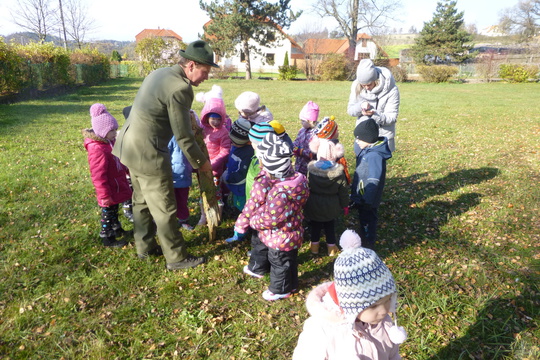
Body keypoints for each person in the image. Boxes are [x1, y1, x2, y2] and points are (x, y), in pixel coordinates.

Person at [112, 40, 217, 270]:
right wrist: (202, 164)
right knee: (165, 207)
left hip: (128, 145)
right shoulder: (180, 88)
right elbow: (184, 136)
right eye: (205, 71)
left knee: (140, 201)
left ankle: (145, 247)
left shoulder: (159, 73)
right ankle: (176, 257)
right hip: (147, 152)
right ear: (190, 65)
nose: (206, 77)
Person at [292, 229, 407, 360]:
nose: (384, 310)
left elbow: (392, 354)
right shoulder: (322, 331)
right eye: (373, 306)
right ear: (351, 306)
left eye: (387, 300)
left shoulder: (382, 322)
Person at [233, 133, 309, 301]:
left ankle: (280, 289)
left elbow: (270, 218)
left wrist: (253, 221)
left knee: (279, 263)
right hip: (293, 231)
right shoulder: (298, 181)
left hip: (279, 237)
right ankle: (292, 283)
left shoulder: (279, 194)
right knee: (289, 262)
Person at [82, 103, 132, 248]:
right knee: (108, 213)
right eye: (112, 130)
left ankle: (117, 229)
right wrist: (104, 195)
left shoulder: (110, 143)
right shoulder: (98, 149)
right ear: (102, 131)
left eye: (116, 129)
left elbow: (119, 159)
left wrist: (126, 170)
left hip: (116, 184)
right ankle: (107, 236)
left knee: (114, 210)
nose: (115, 133)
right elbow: (98, 175)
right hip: (108, 188)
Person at [224, 122, 275, 243]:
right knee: (244, 211)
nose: (250, 144)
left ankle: (248, 236)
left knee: (248, 214)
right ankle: (243, 232)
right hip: (248, 190)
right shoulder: (255, 154)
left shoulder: (263, 160)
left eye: (253, 143)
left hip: (255, 195)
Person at [350, 118, 392, 250]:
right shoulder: (367, 148)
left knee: (368, 219)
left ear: (368, 139)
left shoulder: (374, 156)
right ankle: (363, 234)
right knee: (362, 218)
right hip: (362, 195)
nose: (356, 141)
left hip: (368, 198)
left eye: (359, 139)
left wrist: (368, 200)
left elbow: (374, 179)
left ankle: (368, 242)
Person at [304, 137, 349, 256]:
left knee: (315, 226)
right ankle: (331, 249)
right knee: (330, 226)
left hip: (314, 203)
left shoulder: (311, 170)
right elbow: (343, 190)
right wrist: (345, 205)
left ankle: (314, 247)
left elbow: (306, 186)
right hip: (331, 204)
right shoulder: (339, 172)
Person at [196, 85, 231, 225]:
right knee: (203, 193)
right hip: (201, 169)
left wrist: (213, 164)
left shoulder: (223, 132)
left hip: (215, 170)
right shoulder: (202, 129)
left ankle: (217, 217)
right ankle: (203, 216)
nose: (215, 122)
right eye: (212, 118)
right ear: (206, 116)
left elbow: (225, 150)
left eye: (218, 119)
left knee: (216, 194)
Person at [347, 59, 400, 152]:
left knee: (377, 166)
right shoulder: (356, 86)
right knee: (361, 166)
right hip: (362, 139)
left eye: (369, 84)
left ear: (376, 79)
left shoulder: (392, 90)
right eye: (363, 85)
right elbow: (350, 110)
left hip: (382, 139)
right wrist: (360, 106)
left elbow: (392, 118)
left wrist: (374, 114)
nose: (367, 88)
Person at [223, 118, 254, 212]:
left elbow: (242, 172)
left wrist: (229, 179)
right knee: (236, 198)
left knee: (242, 201)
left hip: (240, 184)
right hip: (232, 180)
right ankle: (236, 208)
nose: (233, 144)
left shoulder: (247, 153)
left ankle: (243, 214)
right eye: (231, 142)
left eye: (236, 143)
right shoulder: (236, 146)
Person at [314, 116, 351, 185]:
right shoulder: (334, 147)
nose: (338, 132)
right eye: (336, 130)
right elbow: (342, 166)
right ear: (331, 134)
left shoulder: (320, 144)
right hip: (335, 175)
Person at [293, 101, 319, 175]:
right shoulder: (302, 130)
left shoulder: (315, 134)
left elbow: (312, 153)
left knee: (310, 178)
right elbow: (297, 140)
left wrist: (300, 151)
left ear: (310, 121)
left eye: (303, 121)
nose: (301, 123)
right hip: (300, 162)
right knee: (300, 177)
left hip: (311, 164)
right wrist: (293, 146)